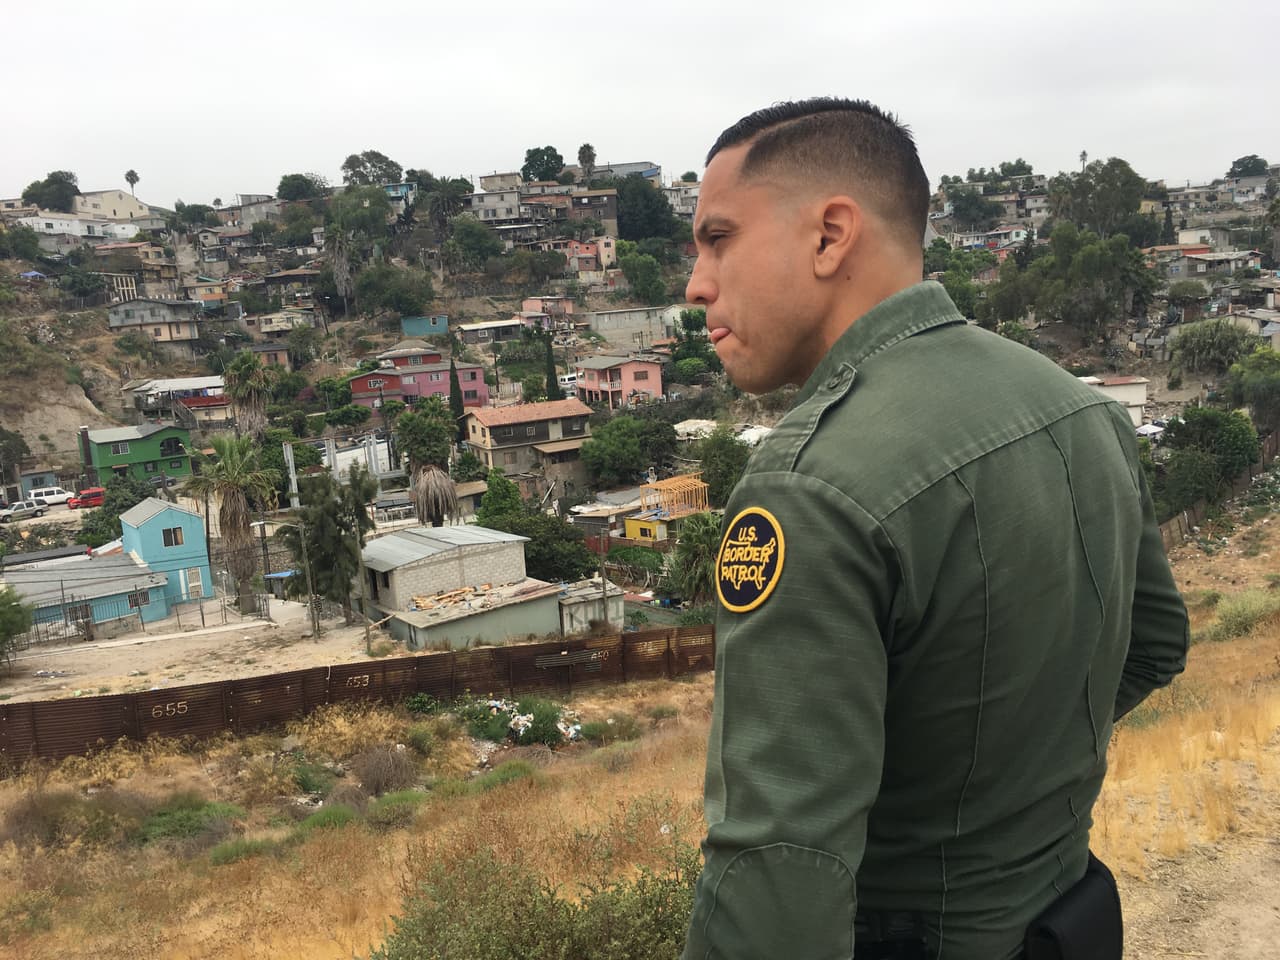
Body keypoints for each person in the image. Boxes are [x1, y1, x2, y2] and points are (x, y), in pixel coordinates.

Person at [681, 98, 1189, 960]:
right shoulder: (1078, 408)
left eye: (718, 237)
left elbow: (779, 869)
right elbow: (1155, 643)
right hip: (1069, 920)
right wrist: (997, 796)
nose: (696, 282)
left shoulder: (809, 488)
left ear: (830, 236)